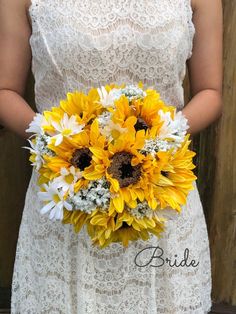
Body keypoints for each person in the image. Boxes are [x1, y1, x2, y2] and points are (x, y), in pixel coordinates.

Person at [0, 0, 223, 313]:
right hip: (66, 198)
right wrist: (64, 146)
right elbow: (5, 90)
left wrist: (157, 142)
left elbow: (210, 92)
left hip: (160, 195)